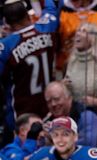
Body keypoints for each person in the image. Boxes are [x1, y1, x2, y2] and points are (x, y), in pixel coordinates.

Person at [0, 0, 60, 132]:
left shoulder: (6, 46)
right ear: (28, 15)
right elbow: (51, 9)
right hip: (48, 111)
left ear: (7, 23)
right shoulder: (46, 27)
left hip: (20, 118)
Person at [43, 81, 97, 147]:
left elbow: (87, 148)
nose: (53, 104)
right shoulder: (49, 121)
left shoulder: (87, 117)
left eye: (57, 99)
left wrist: (53, 140)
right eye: (49, 101)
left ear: (69, 98)